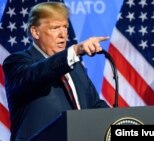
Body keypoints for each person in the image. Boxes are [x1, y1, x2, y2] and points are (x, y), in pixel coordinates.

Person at [3, 2, 109, 141]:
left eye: (65, 27)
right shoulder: (17, 62)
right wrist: (75, 51)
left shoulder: (75, 66)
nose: (63, 34)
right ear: (35, 32)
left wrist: (120, 123)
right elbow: (36, 75)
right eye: (55, 28)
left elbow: (94, 105)